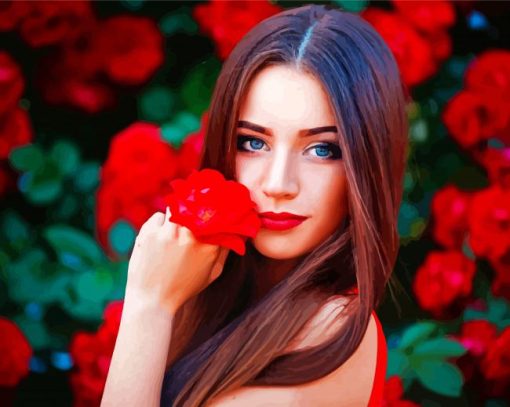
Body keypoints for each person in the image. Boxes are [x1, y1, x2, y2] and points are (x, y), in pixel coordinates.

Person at [101, 3, 409, 406]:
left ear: (367, 162)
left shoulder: (333, 323)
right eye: (253, 142)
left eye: (322, 149)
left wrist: (149, 305)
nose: (279, 183)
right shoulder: (207, 296)